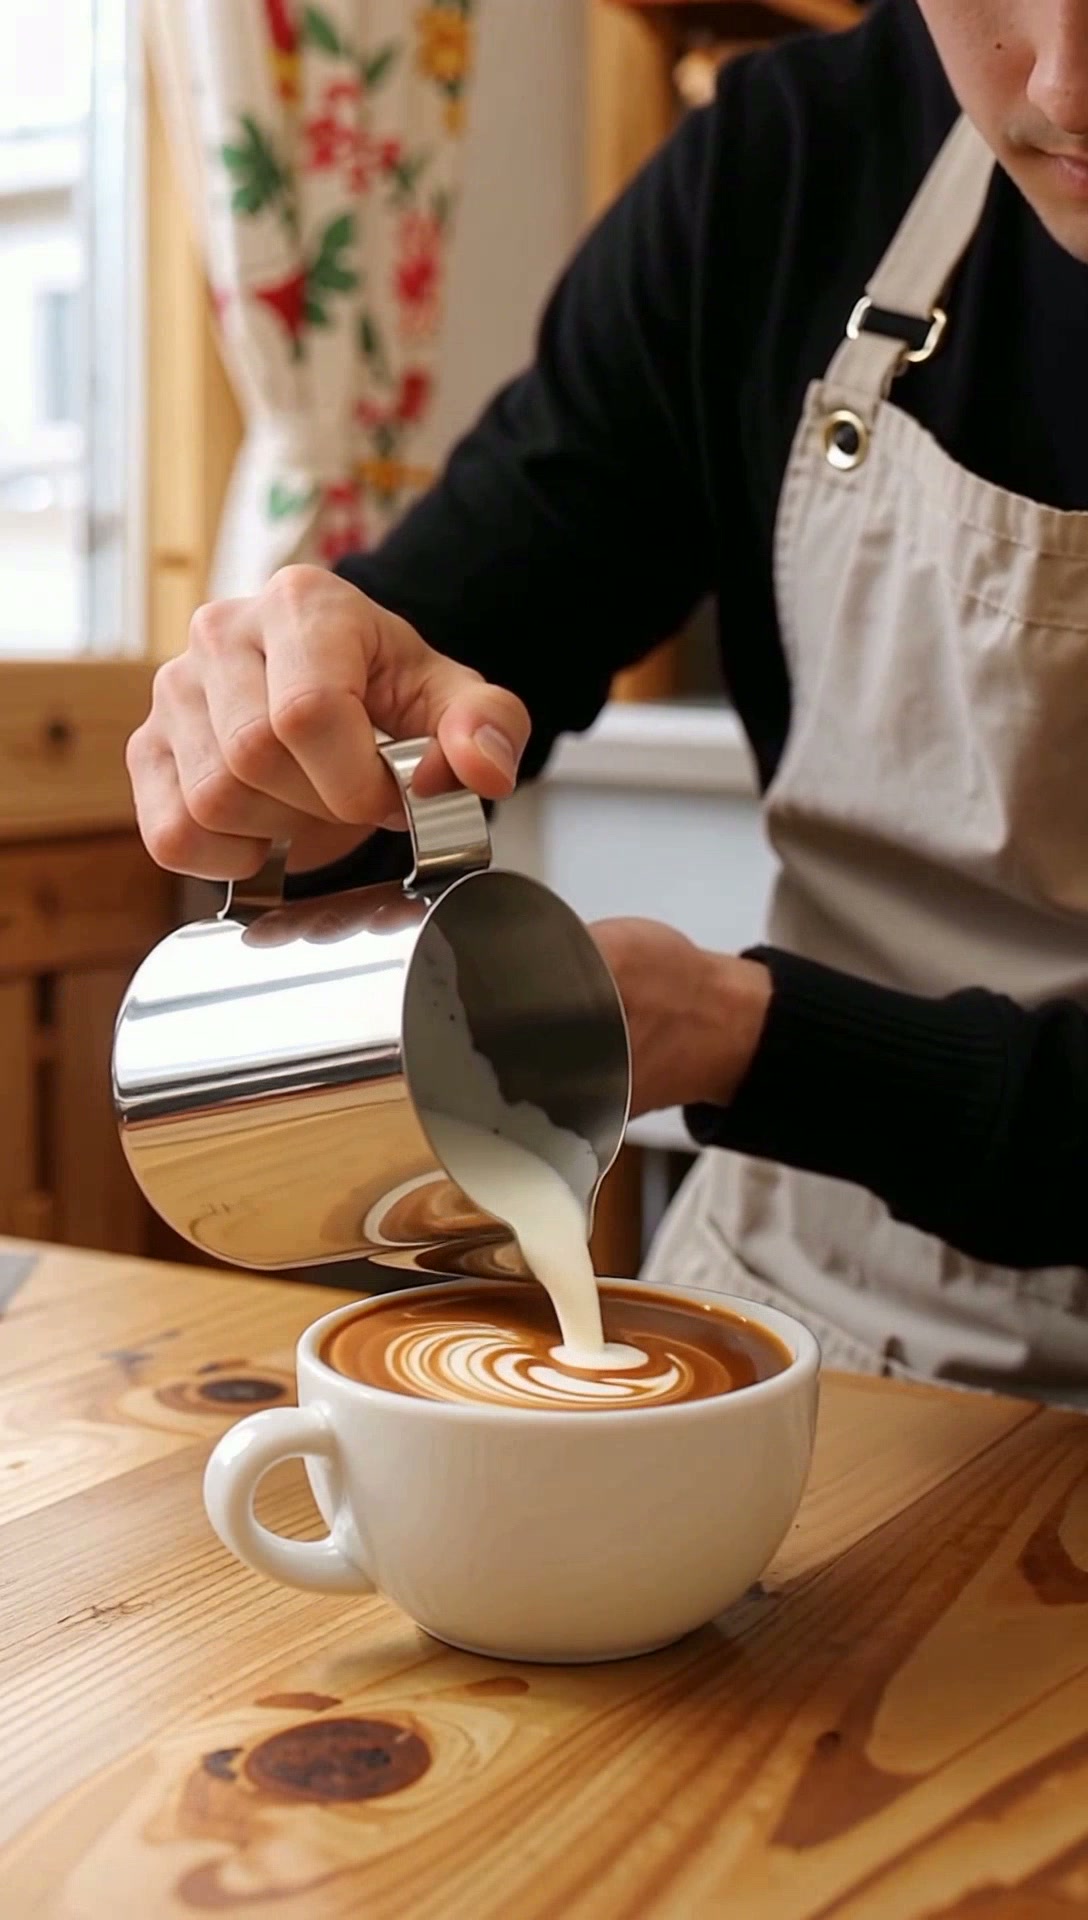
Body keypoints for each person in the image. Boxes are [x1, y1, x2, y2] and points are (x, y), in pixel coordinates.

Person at [127, 0, 1088, 1396]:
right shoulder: (788, 174)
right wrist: (298, 746)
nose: (1064, 81)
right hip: (807, 1315)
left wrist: (749, 1037)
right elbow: (447, 658)